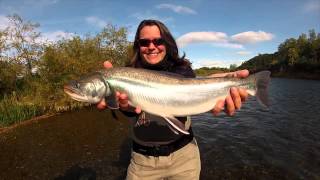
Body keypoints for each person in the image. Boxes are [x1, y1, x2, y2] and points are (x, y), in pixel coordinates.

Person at [97, 19, 249, 180]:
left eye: (158, 41)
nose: (151, 46)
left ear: (167, 43)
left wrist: (224, 84)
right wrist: (124, 107)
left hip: (184, 158)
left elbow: (194, 88)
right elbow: (129, 110)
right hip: (142, 162)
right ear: (138, 46)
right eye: (144, 42)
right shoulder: (127, 74)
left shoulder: (182, 69)